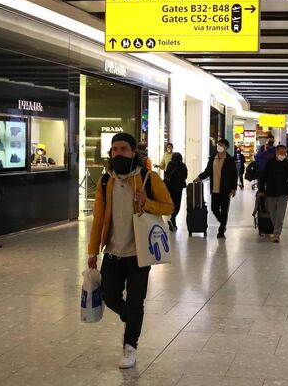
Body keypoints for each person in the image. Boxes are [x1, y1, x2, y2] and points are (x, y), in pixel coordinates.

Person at [87, 132, 174, 369]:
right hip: (113, 253)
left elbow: (169, 206)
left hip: (139, 254)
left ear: (134, 152)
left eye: (123, 149)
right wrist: (92, 251)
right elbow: (98, 219)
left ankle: (130, 346)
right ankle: (130, 318)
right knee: (108, 295)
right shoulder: (106, 182)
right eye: (114, 149)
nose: (118, 153)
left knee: (136, 301)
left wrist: (146, 202)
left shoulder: (148, 177)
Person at [195, 138, 238, 238]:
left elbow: (234, 175)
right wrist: (199, 177)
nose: (219, 146)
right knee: (214, 209)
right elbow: (208, 171)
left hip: (225, 189)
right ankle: (223, 222)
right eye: (218, 144)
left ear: (226, 147)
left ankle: (221, 230)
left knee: (224, 210)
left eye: (221, 145)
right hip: (214, 189)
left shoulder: (230, 160)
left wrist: (233, 188)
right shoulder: (212, 158)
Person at [258, 145, 288, 243]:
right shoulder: (269, 163)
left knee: (280, 214)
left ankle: (277, 234)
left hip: (283, 192)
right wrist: (261, 190)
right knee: (272, 213)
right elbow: (263, 177)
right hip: (270, 191)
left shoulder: (287, 164)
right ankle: (276, 230)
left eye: (284, 153)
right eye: (281, 153)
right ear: (276, 152)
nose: (283, 155)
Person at [164, 152, 188, 231]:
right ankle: (173, 218)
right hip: (178, 188)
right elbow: (185, 176)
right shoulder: (182, 166)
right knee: (177, 204)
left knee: (171, 203)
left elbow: (166, 174)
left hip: (170, 187)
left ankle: (173, 221)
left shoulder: (170, 164)